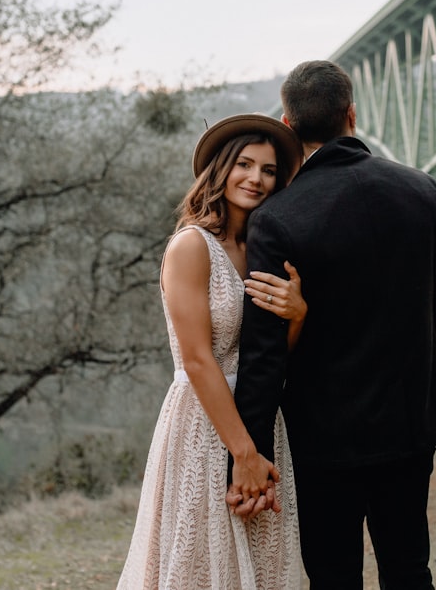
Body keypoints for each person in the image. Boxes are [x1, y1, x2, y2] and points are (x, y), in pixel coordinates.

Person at [232, 60, 436, 589]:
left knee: (334, 576)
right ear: (351, 115)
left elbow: (265, 351)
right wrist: (429, 393)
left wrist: (251, 453)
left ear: (288, 126)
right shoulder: (422, 190)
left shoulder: (278, 218)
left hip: (323, 439)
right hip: (411, 424)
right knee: (409, 570)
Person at [116, 114, 305, 589]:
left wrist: (298, 314)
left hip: (263, 419)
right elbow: (198, 358)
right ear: (220, 170)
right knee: (200, 562)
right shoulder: (191, 246)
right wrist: (243, 452)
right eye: (244, 164)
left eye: (267, 170)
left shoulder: (264, 248)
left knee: (265, 562)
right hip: (204, 422)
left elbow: (273, 355)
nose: (256, 179)